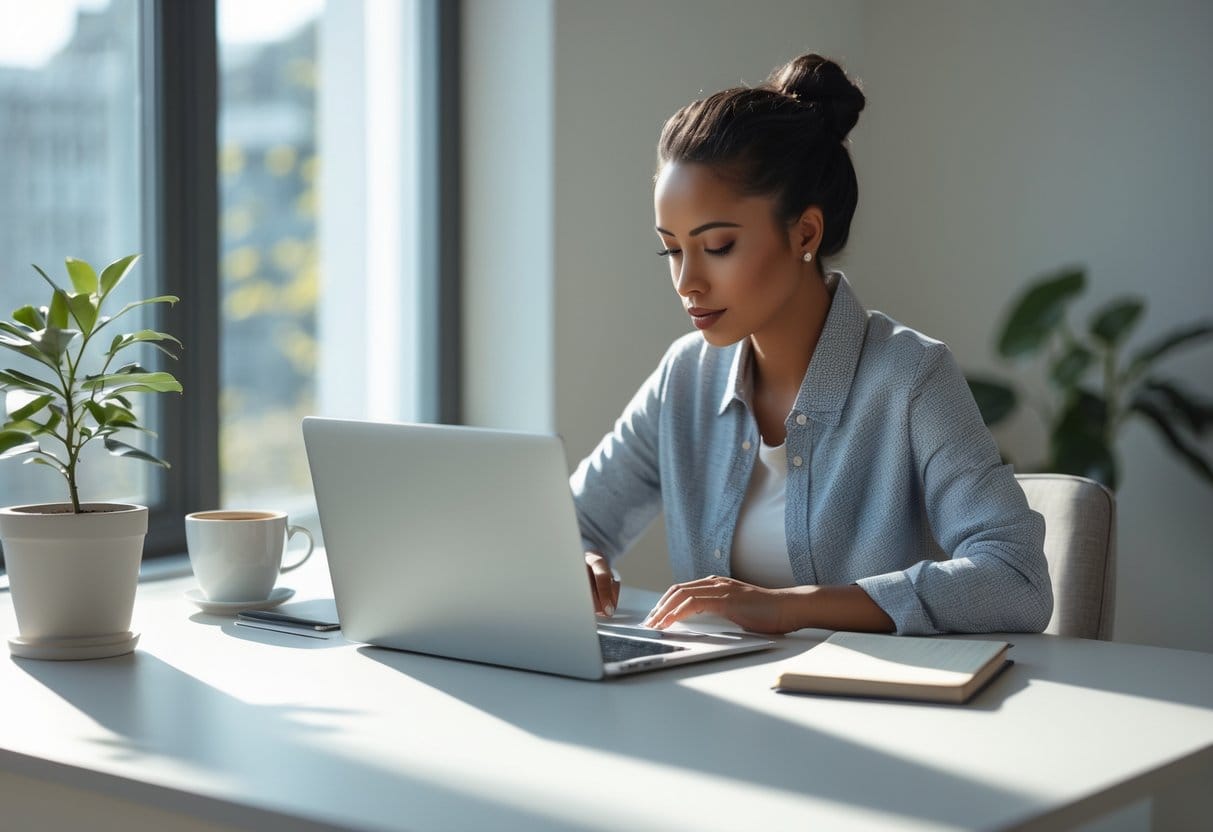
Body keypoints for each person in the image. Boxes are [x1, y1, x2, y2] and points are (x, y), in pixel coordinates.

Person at [570, 54, 1053, 636]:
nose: (686, 282)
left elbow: (1017, 578)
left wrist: (790, 607)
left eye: (718, 245)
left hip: (874, 713)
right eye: (672, 249)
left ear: (804, 233)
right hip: (718, 706)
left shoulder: (909, 376)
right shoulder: (686, 377)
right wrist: (575, 559)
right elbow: (568, 522)